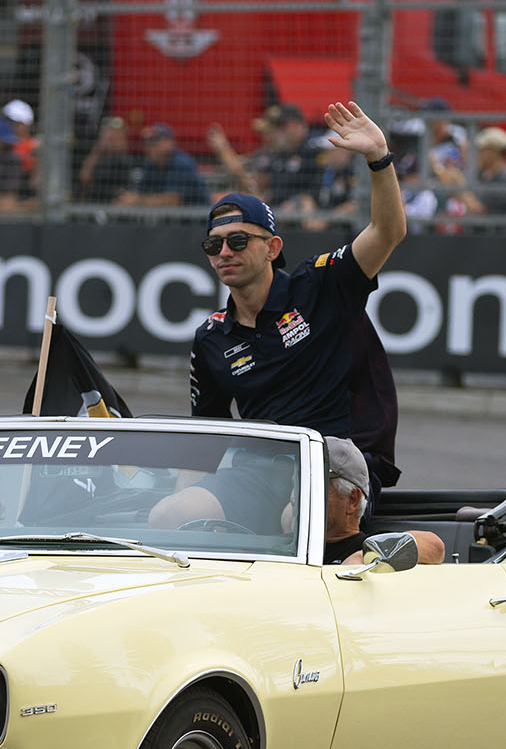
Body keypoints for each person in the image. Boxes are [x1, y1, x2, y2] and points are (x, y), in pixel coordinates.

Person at [149, 100, 407, 531]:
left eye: (238, 241)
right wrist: (178, 506)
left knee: (298, 522)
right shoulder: (211, 337)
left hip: (339, 460)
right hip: (259, 471)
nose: (224, 252)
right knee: (170, 515)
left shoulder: (320, 284)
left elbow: (387, 231)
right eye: (213, 245)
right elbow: (204, 443)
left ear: (272, 248)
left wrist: (379, 158)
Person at [320, 437, 444, 566]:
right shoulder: (305, 548)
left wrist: (364, 557)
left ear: (353, 500)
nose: (307, 496)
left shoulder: (368, 547)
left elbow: (435, 546)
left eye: (317, 486)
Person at [114, 123, 207, 207]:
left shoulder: (182, 162)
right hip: (171, 218)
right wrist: (128, 197)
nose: (149, 147)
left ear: (169, 143)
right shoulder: (151, 164)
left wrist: (138, 200)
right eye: (147, 143)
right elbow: (140, 191)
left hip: (197, 217)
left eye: (154, 142)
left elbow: (173, 200)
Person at [77, 116, 139, 203]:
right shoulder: (98, 158)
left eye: (117, 135)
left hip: (120, 202)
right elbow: (84, 177)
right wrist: (99, 147)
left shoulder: (130, 160)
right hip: (97, 202)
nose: (112, 138)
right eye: (109, 135)